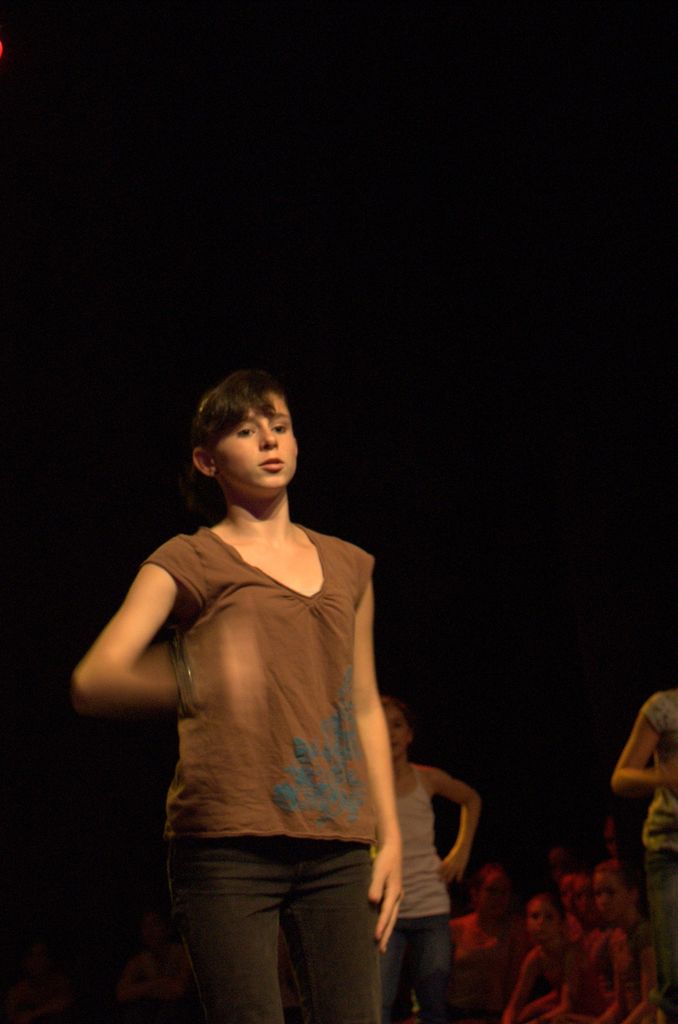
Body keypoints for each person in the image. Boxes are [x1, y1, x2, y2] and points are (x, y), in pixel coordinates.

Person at [71, 369, 402, 1024]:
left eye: (279, 426)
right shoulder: (188, 559)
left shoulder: (348, 565)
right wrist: (197, 673)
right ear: (207, 460)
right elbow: (94, 678)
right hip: (226, 846)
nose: (269, 441)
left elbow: (363, 702)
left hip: (336, 843)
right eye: (246, 431)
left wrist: (389, 836)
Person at [379, 695, 481, 1024]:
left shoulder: (427, 779)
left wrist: (461, 851)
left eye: (397, 725)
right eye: (381, 725)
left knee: (433, 1007)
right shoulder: (365, 784)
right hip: (386, 910)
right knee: (377, 1006)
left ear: (409, 734)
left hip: (430, 904)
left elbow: (471, 799)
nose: (390, 733)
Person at [611, 687, 678, 1024]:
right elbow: (621, 778)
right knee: (676, 977)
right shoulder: (664, 707)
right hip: (670, 850)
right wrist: (662, 776)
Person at [501, 891, 607, 1024]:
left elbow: (567, 1006)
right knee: (525, 1013)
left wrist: (536, 1021)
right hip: (567, 1014)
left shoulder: (570, 953)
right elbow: (515, 1004)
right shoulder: (535, 957)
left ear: (561, 923)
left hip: (591, 1017)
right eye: (535, 916)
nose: (541, 922)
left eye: (549, 917)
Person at [447, 862, 529, 1024]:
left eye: (504, 892)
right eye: (492, 891)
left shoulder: (515, 932)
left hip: (493, 1016)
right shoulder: (455, 929)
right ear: (475, 894)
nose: (498, 898)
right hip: (455, 1014)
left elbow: (515, 987)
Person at [115, 908, 197, 1023]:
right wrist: (158, 984)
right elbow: (122, 993)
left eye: (155, 924)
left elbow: (180, 989)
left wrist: (145, 988)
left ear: (167, 929)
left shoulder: (182, 953)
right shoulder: (140, 961)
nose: (150, 931)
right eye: (145, 926)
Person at [4, 940, 75, 1024]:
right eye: (32, 956)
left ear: (49, 960)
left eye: (41, 955)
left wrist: (34, 1014)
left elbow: (64, 1001)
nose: (37, 960)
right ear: (25, 961)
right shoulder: (17, 992)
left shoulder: (59, 982)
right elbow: (14, 1018)